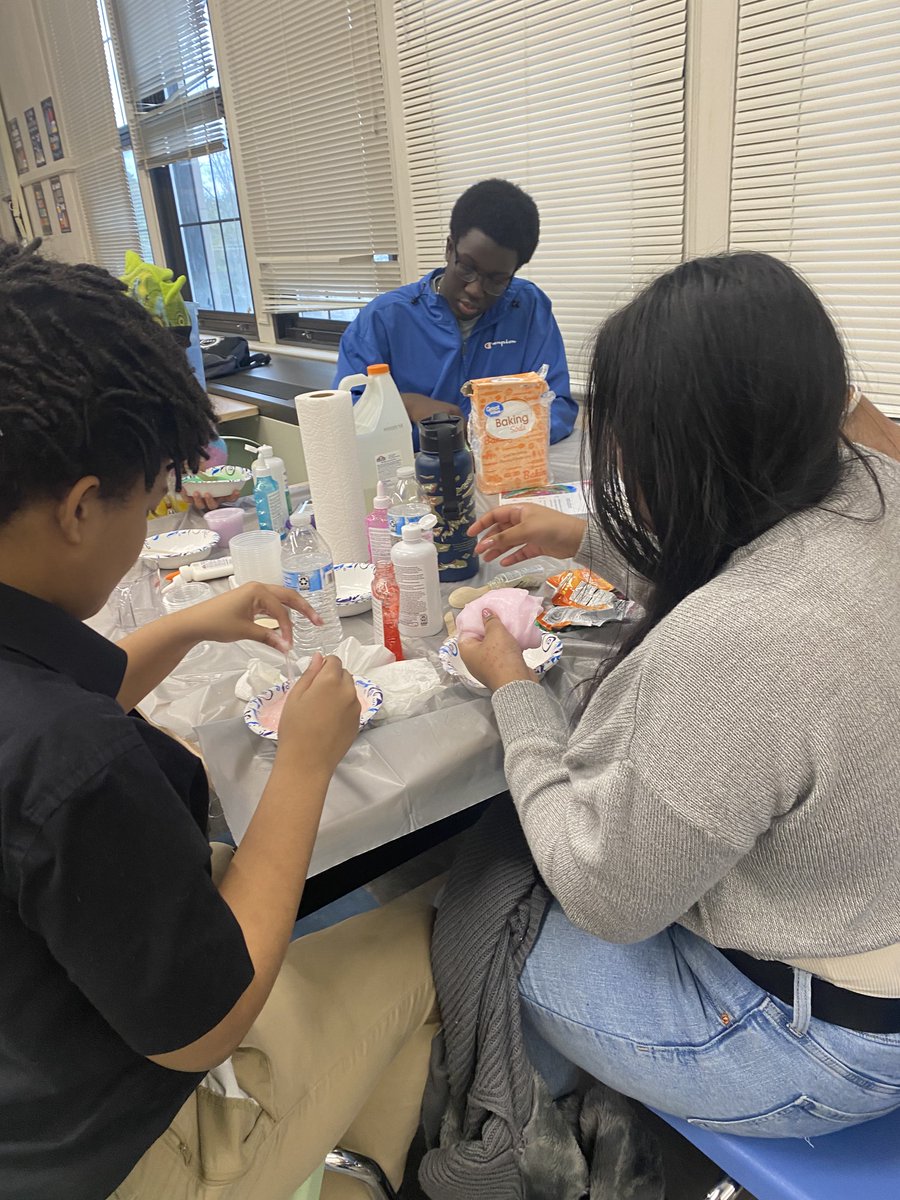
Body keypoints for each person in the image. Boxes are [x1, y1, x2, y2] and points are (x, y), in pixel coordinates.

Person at [0, 240, 438, 1200]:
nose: (152, 516)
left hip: (37, 1074)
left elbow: (63, 697)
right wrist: (303, 767)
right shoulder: (74, 761)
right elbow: (209, 1022)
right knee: (430, 938)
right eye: (149, 498)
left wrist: (191, 623)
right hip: (129, 1147)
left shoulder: (38, 706)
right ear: (78, 508)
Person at [458, 251, 900, 1139]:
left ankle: (540, 1139)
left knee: (481, 913)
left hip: (821, 1043)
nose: (626, 472)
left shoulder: (742, 644)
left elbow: (607, 893)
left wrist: (515, 693)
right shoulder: (876, 486)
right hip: (868, 916)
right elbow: (746, 548)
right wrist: (582, 537)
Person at [333, 178, 579, 443]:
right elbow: (349, 418)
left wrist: (484, 435)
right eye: (467, 267)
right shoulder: (384, 319)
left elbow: (558, 406)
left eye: (496, 280)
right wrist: (405, 405)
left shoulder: (528, 308)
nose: (475, 289)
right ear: (450, 248)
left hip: (505, 472)